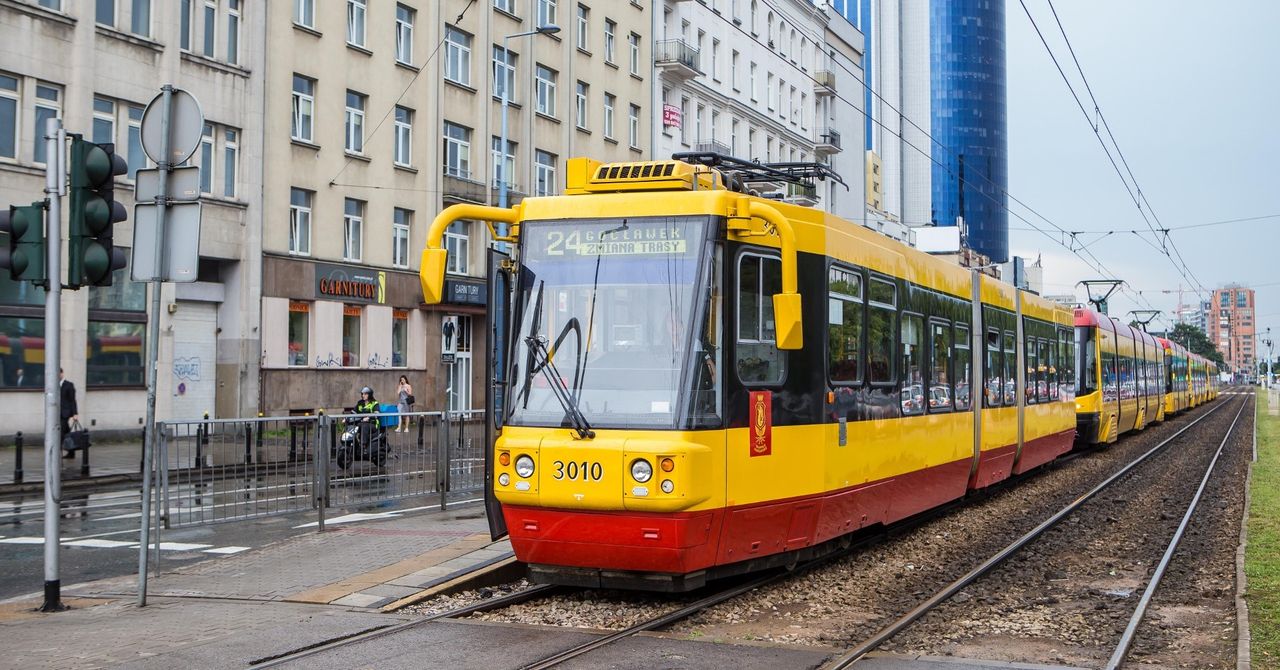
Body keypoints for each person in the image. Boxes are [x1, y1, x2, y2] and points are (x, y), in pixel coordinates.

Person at [60, 368, 79, 459]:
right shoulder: (54, 385)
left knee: (61, 431)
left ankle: (59, 450)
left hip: (65, 412)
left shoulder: (69, 385)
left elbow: (72, 400)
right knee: (66, 432)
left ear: (62, 373)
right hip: (57, 412)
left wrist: (75, 413)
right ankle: (71, 452)